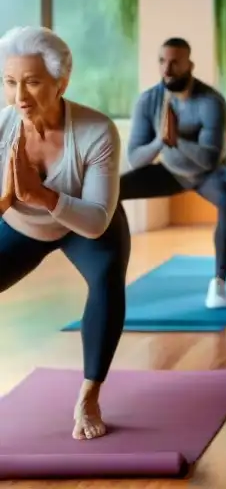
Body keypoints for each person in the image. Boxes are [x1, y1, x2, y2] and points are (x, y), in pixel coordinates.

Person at [0, 26, 131, 441]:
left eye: (33, 82)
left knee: (108, 280)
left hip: (86, 223)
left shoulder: (96, 131)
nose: (20, 95)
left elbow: (95, 221)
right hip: (21, 227)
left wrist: (39, 193)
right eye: (10, 82)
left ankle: (89, 395)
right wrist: (6, 199)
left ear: (61, 83)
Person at [121, 38, 226, 310]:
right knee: (114, 190)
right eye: (162, 61)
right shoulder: (149, 101)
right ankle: (115, 272)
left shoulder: (211, 102)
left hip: (214, 173)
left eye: (175, 62)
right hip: (172, 171)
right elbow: (136, 159)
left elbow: (209, 159)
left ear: (190, 65)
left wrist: (176, 140)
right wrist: (162, 141)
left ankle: (219, 284)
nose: (168, 68)